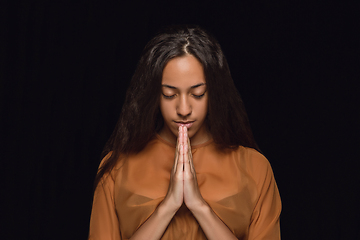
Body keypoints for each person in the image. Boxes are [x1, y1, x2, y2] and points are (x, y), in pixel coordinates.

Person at [88, 25, 281, 240]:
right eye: (169, 95)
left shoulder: (255, 168)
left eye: (197, 94)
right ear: (154, 96)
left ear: (214, 94)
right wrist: (167, 207)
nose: (183, 110)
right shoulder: (116, 167)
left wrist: (199, 207)